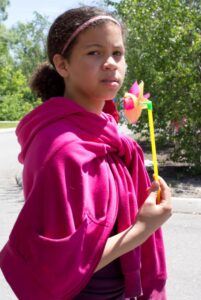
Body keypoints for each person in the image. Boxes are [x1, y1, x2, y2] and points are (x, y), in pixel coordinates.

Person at [0, 6, 172, 300]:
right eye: (94, 52)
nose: (110, 63)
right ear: (62, 65)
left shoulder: (105, 134)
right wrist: (142, 227)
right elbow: (59, 265)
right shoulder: (61, 147)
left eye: (117, 53)